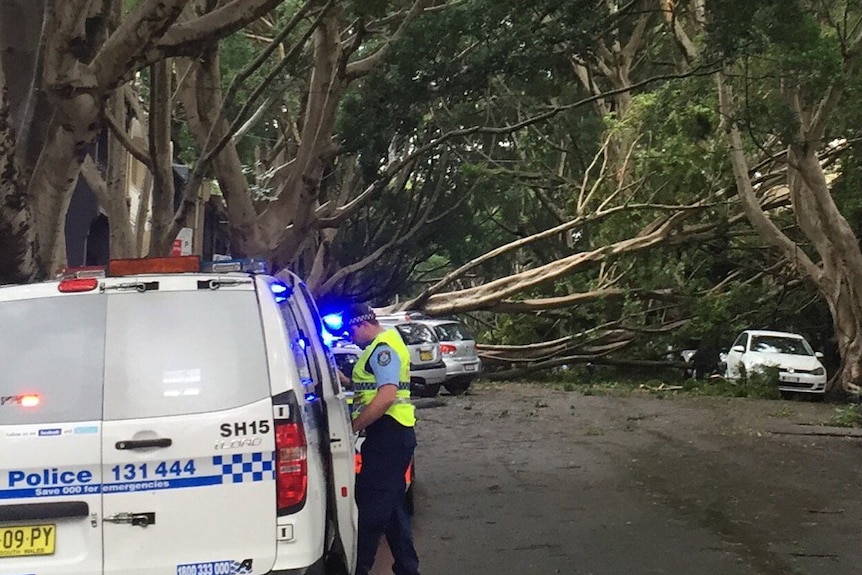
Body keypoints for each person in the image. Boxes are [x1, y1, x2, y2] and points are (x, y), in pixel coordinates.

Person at [342, 303, 419, 575]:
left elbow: (386, 396)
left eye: (350, 332)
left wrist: (353, 426)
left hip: (388, 434)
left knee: (372, 510)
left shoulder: (382, 349)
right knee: (394, 510)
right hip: (394, 435)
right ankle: (408, 568)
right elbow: (370, 386)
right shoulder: (384, 344)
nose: (351, 339)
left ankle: (358, 568)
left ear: (361, 324)